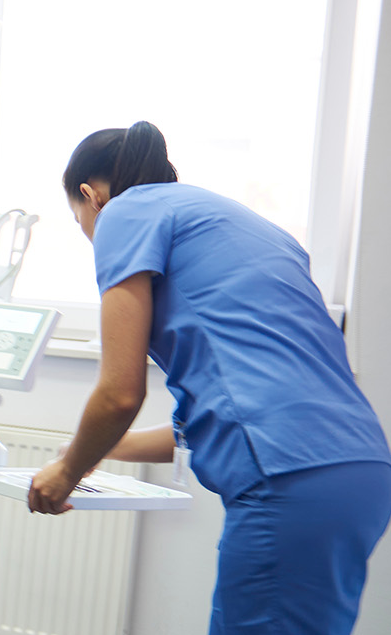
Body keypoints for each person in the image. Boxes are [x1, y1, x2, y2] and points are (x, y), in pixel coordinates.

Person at [28, 121, 391, 634]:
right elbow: (206, 426)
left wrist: (63, 476)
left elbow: (119, 393)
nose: (89, 233)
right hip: (358, 473)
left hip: (284, 477)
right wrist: (90, 452)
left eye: (78, 220)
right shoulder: (241, 225)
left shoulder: (124, 213)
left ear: (91, 196)